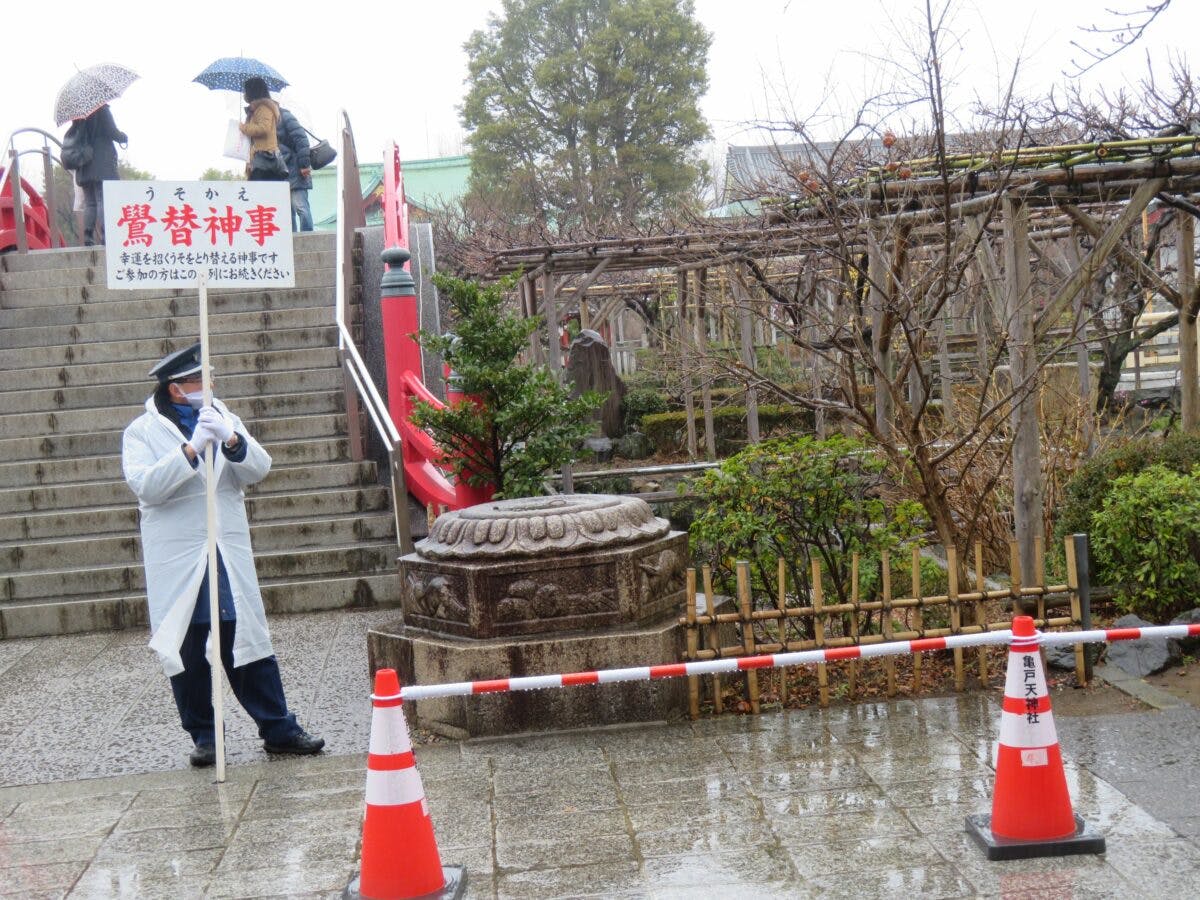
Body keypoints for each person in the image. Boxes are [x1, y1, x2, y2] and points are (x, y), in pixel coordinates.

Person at [121, 343, 324, 767]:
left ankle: (279, 728)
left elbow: (259, 467)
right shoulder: (141, 432)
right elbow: (147, 487)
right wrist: (191, 449)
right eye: (201, 380)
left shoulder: (222, 415)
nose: (209, 385)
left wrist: (230, 439)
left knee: (244, 637)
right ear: (178, 389)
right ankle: (206, 737)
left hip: (224, 547)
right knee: (188, 645)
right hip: (178, 555)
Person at [74, 103, 126, 246]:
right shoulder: (102, 108)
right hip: (101, 162)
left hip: (84, 163)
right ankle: (106, 235)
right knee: (103, 200)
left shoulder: (78, 114)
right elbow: (112, 131)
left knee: (90, 202)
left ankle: (88, 236)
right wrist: (123, 137)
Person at [276, 107, 314, 232]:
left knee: (301, 208)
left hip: (296, 168)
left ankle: (307, 239)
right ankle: (292, 241)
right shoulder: (272, 119)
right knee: (287, 212)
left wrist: (304, 165)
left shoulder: (285, 116)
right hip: (281, 170)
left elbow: (301, 139)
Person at [238, 77, 282, 181]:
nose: (244, 94)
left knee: (261, 193)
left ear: (253, 91)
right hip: (259, 159)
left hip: (265, 158)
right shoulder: (255, 110)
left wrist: (243, 127)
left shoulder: (264, 108)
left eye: (246, 90)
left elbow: (263, 128)